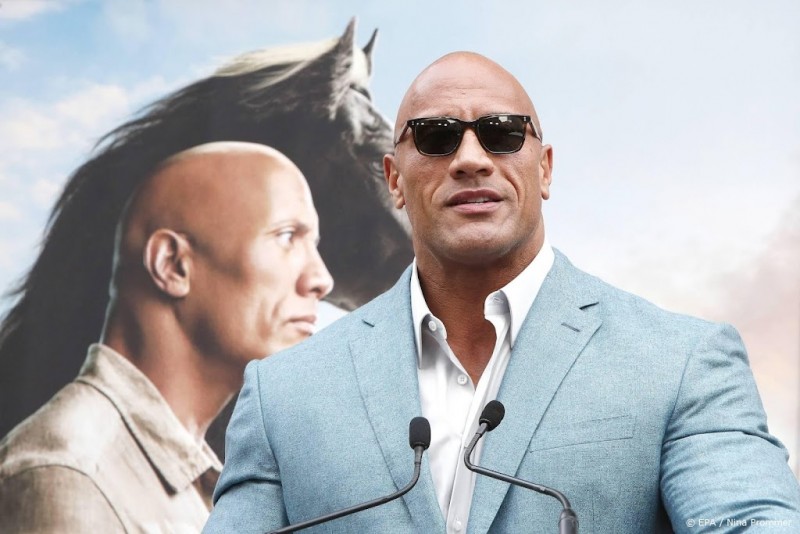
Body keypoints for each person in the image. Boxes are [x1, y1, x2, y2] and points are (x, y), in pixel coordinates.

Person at [205, 54, 800, 533]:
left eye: (502, 133)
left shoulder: (681, 363)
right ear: (393, 180)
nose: (470, 159)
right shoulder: (282, 394)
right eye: (436, 137)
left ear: (545, 169)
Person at [0, 141, 333, 532]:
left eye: (313, 245)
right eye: (286, 236)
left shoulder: (201, 483)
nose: (321, 280)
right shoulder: (69, 478)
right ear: (172, 265)